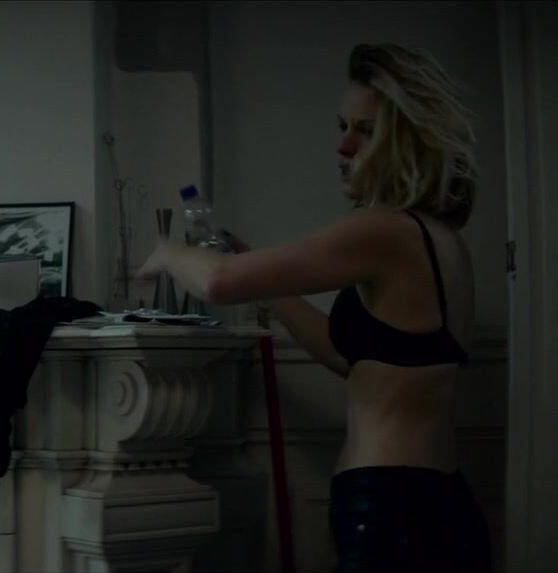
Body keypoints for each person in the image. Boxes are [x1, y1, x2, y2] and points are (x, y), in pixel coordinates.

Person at [138, 43, 489, 572]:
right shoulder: (437, 238)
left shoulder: (384, 231)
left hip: (392, 512)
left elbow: (218, 283)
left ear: (409, 141)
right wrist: (260, 274)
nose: (343, 146)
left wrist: (168, 252)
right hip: (435, 502)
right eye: (342, 126)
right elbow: (346, 356)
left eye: (367, 131)